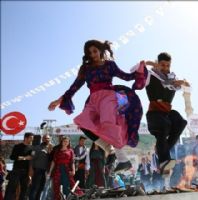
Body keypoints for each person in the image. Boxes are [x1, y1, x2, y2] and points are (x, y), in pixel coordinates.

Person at [48, 40, 147, 172]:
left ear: (100, 50)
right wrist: (59, 100)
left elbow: (127, 77)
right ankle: (109, 150)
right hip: (93, 100)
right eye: (89, 53)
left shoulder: (110, 65)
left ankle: (122, 159)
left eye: (95, 51)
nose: (93, 54)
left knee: (108, 122)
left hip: (109, 97)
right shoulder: (85, 69)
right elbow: (74, 87)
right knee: (82, 123)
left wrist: (140, 71)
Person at [145, 52, 188, 172]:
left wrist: (184, 83)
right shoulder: (150, 75)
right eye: (162, 65)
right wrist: (149, 63)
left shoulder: (172, 80)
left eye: (168, 66)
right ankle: (164, 160)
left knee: (181, 122)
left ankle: (163, 150)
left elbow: (188, 87)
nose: (165, 68)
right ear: (157, 63)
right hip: (154, 114)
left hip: (167, 113)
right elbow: (136, 68)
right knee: (164, 125)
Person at [4, 132, 34, 200]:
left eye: (32, 139)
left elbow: (32, 158)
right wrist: (24, 158)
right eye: (31, 138)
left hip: (26, 172)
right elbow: (12, 157)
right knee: (11, 189)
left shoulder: (32, 148)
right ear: (26, 138)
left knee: (24, 190)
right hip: (16, 170)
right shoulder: (17, 146)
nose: (32, 140)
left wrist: (30, 173)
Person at [29, 134, 53, 200]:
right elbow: (32, 159)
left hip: (46, 172)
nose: (47, 139)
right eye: (45, 138)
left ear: (50, 139)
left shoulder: (51, 148)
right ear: (42, 139)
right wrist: (31, 170)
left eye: (48, 138)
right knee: (35, 187)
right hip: (37, 170)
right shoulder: (36, 147)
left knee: (41, 188)